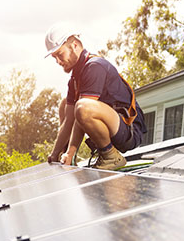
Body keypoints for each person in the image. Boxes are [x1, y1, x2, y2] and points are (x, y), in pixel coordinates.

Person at [44, 22, 147, 170]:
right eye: (55, 58)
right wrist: (55, 154)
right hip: (113, 127)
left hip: (128, 132)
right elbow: (69, 121)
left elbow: (82, 115)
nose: (58, 62)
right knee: (65, 104)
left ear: (74, 45)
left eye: (60, 55)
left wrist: (71, 151)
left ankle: (111, 156)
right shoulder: (75, 78)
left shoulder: (94, 67)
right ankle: (65, 157)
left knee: (82, 106)